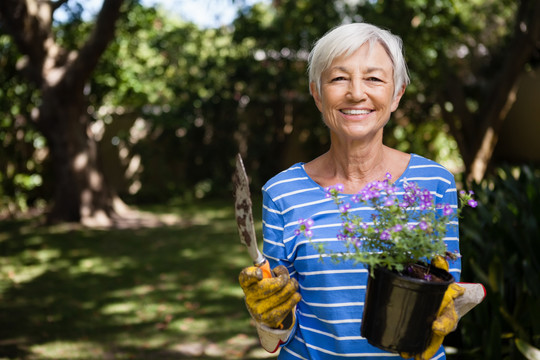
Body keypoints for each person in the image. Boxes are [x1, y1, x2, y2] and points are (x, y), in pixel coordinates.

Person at [239, 22, 485, 360]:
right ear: (317, 93)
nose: (356, 93)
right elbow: (281, 313)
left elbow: (446, 296)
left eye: (374, 78)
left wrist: (444, 313)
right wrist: (269, 318)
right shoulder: (283, 191)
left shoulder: (433, 183)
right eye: (339, 78)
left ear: (396, 94)